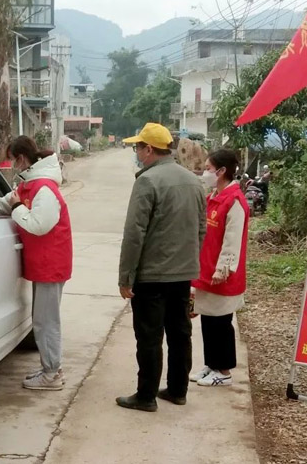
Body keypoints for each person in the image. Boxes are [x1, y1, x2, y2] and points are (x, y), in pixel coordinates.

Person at [116, 123, 207, 412]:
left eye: (137, 148)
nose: (136, 153)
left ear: (149, 149)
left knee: (149, 336)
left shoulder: (147, 181)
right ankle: (178, 390)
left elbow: (135, 233)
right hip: (182, 273)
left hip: (152, 275)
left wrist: (126, 276)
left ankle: (146, 396)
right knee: (180, 334)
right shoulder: (193, 181)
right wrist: (190, 261)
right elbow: (201, 228)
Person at [0, 136, 72, 391]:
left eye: (12, 160)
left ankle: (51, 374)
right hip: (44, 263)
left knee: (46, 321)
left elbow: (38, 225)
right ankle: (51, 368)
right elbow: (6, 202)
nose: (12, 165)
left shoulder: (44, 188)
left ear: (21, 158)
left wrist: (17, 207)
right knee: (43, 319)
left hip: (51, 264)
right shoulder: (31, 184)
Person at [191, 150, 249, 387]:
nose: (205, 173)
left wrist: (223, 269)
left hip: (222, 275)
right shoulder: (213, 198)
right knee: (208, 320)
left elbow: (232, 241)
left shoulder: (234, 201)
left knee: (221, 323)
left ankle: (224, 371)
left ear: (222, 171)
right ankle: (211, 364)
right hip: (206, 270)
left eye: (208, 168)